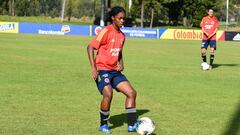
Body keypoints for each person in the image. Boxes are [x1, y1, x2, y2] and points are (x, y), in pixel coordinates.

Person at [87, 6, 138, 134]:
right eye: (120, 18)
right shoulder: (106, 31)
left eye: (124, 18)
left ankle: (131, 125)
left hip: (114, 71)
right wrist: (93, 68)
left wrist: (121, 62)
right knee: (108, 94)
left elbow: (119, 52)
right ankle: (103, 125)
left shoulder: (122, 36)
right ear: (113, 18)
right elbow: (90, 47)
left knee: (131, 93)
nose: (122, 21)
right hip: (102, 70)